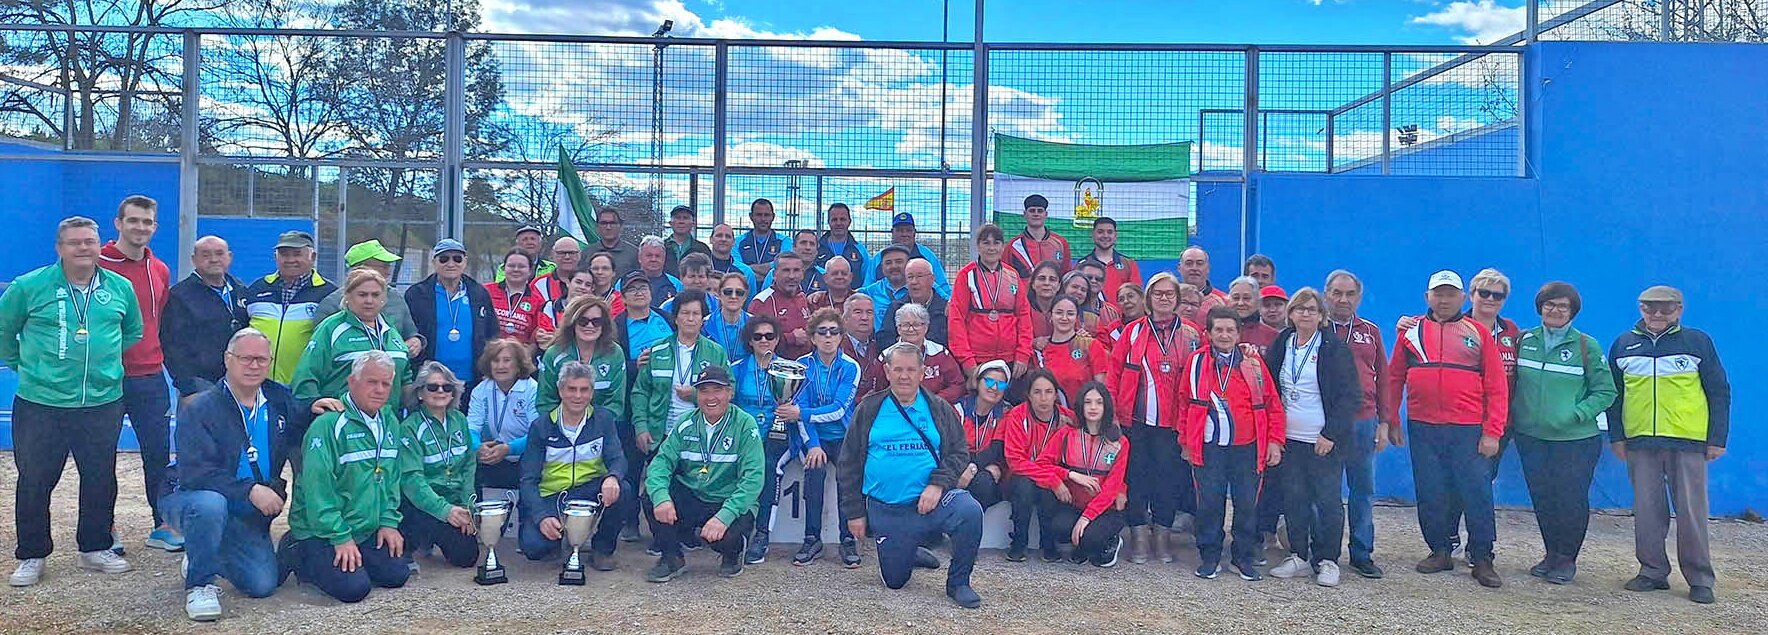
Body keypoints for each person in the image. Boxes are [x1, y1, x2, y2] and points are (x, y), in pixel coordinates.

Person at [3, 216, 143, 586]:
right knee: (35, 480)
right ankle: (32, 554)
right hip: (41, 404)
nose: (83, 248)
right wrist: (26, 366)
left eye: (89, 241)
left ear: (100, 245)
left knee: (99, 478)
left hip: (102, 402)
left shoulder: (119, 287)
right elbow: (4, 330)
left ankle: (95, 547)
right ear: (59, 248)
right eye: (74, 242)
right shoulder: (29, 286)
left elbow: (132, 331)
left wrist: (104, 366)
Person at [1383, 270, 1509, 588]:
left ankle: (1482, 557)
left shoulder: (1477, 332)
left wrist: (1493, 431)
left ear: (1462, 298)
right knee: (1430, 491)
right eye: (1438, 294)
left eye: (1451, 294)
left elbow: (1496, 386)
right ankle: (1439, 550)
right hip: (1423, 426)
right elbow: (1393, 377)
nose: (1444, 299)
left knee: (1477, 493)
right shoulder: (1411, 333)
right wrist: (1392, 420)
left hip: (1468, 428)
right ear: (1428, 297)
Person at [838, 342, 983, 608]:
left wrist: (938, 484)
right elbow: (848, 464)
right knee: (894, 581)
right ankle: (908, 550)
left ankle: (959, 582)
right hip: (889, 509)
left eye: (911, 370)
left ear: (922, 372)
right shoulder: (868, 409)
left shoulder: (939, 408)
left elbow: (960, 453)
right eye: (898, 369)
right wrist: (854, 513)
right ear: (887, 371)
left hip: (933, 502)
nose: (904, 376)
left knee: (970, 510)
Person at [1609, 285, 1729, 605]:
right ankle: (1652, 571)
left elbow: (1719, 390)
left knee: (1691, 512)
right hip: (1640, 441)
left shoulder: (1697, 341)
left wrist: (1717, 439)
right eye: (1650, 308)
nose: (1657, 314)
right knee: (1647, 511)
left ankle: (1700, 578)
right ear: (1640, 308)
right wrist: (1617, 436)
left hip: (1687, 440)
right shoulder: (1623, 344)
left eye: (1665, 308)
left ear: (1679, 310)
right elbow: (1614, 396)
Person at [158, 329, 289, 619]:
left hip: (243, 511)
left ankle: (205, 547)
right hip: (191, 496)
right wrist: (250, 490)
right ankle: (200, 584)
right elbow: (195, 473)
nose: (253, 366)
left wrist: (324, 408)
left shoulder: (279, 399)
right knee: (209, 505)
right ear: (227, 360)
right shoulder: (201, 407)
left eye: (260, 359)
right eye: (245, 358)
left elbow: (304, 412)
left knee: (262, 584)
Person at [284, 350, 412, 603]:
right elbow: (318, 490)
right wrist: (340, 537)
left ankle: (351, 554)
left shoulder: (390, 421)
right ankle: (297, 550)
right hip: (322, 530)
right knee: (354, 590)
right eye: (371, 382)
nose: (379, 389)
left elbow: (391, 478)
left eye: (385, 384)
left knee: (396, 575)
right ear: (352, 382)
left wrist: (388, 521)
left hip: (364, 528)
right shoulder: (328, 424)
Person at [1510, 282, 1616, 586]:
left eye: (1563, 306)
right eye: (1550, 304)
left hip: (1575, 441)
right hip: (1531, 437)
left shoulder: (1586, 345)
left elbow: (1606, 391)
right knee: (1543, 498)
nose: (1555, 310)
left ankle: (1567, 559)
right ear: (1540, 307)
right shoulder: (1524, 340)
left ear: (1572, 311)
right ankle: (1550, 554)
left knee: (1570, 500)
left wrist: (1577, 414)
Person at [1179, 306, 1287, 582]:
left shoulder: (1253, 363)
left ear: (1239, 333)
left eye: (1230, 330)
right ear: (1209, 333)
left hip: (1247, 447)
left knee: (1247, 504)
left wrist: (1275, 441)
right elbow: (1182, 404)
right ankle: (1210, 556)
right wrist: (1185, 440)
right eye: (1219, 330)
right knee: (1209, 503)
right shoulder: (1196, 362)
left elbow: (1273, 404)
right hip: (1208, 446)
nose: (1225, 335)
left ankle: (1243, 557)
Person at [1263, 288, 1361, 587]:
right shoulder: (1282, 342)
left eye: (1312, 309)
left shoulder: (1333, 347)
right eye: (1300, 309)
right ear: (1290, 314)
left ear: (1322, 316)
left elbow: (1349, 396)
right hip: (1288, 438)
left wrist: (1330, 433)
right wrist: (1273, 435)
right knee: (1294, 499)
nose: (1305, 314)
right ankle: (1299, 555)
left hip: (1322, 440)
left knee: (1328, 500)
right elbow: (1269, 389)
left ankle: (1328, 559)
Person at [96, 196, 179, 552]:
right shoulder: (93, 263)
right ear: (118, 223)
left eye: (147, 222)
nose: (140, 228)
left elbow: (155, 321)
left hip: (150, 377)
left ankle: (161, 524)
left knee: (158, 454)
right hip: (104, 377)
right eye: (133, 221)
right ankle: (103, 528)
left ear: (155, 227)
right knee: (99, 454)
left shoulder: (159, 269)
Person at [1106, 272, 1200, 565]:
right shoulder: (1132, 331)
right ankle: (1139, 536)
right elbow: (1114, 374)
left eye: (1169, 294)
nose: (1163, 298)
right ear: (1148, 299)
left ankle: (1162, 535)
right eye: (1157, 294)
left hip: (1173, 424)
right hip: (1136, 421)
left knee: (1168, 481)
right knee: (1137, 479)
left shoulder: (1193, 334)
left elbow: (1202, 374)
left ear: (1177, 298)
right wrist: (1113, 416)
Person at [643, 367, 766, 582]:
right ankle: (672, 557)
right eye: (703, 391)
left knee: (728, 537)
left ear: (730, 393)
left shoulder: (746, 425)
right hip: (694, 494)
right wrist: (662, 498)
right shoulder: (685, 422)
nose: (710, 398)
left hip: (727, 501)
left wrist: (724, 516)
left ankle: (733, 553)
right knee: (651, 496)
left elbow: (753, 479)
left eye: (717, 390)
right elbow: (660, 464)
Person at [517, 361, 632, 570]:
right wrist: (542, 516)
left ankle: (602, 549)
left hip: (589, 490)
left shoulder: (603, 419)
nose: (578, 396)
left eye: (584, 390)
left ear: (591, 392)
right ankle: (559, 541)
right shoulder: (541, 426)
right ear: (560, 390)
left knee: (623, 490)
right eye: (571, 389)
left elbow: (617, 458)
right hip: (553, 495)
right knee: (534, 548)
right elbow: (528, 480)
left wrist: (613, 476)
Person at [1322, 269, 1393, 579]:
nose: (1343, 299)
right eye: (1337, 293)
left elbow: (1384, 378)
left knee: (1362, 489)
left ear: (1359, 297)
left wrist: (1385, 423)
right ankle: (1325, 552)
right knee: (1325, 490)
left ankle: (1362, 553)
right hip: (1326, 422)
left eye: (1350, 294)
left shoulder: (1370, 331)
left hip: (1364, 420)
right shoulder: (1316, 329)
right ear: (1327, 294)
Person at [789, 309, 864, 566]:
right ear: (812, 337)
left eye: (834, 331)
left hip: (844, 434)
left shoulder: (851, 366)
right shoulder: (802, 366)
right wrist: (812, 444)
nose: (828, 337)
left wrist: (802, 413)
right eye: (822, 332)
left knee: (847, 480)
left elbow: (839, 409)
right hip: (815, 436)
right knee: (814, 471)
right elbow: (800, 412)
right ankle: (812, 538)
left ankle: (847, 540)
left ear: (842, 336)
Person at [1029, 381, 1129, 567]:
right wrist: (1070, 475)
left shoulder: (1119, 442)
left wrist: (1086, 517)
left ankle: (1109, 541)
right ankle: (1082, 544)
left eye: (1098, 402)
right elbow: (1041, 464)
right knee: (1060, 528)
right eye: (1088, 402)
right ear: (1080, 406)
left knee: (1092, 539)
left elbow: (1111, 488)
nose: (1093, 407)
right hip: (1075, 505)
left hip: (1105, 509)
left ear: (1106, 406)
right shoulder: (1067, 434)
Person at [291, 269, 411, 419]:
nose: (369, 300)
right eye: (362, 295)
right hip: (343, 423)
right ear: (347, 296)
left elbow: (405, 378)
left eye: (375, 295)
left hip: (387, 424)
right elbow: (305, 375)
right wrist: (313, 405)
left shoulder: (391, 330)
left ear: (384, 299)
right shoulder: (331, 328)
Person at [733, 316, 802, 565]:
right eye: (758, 336)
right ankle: (736, 530)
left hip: (780, 435)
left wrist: (792, 411)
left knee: (769, 468)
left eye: (769, 336)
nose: (764, 341)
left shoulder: (791, 369)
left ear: (777, 339)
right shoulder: (737, 368)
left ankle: (762, 534)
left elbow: (800, 407)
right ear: (749, 341)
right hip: (745, 436)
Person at [396, 362, 478, 571]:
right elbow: (412, 480)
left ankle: (433, 536)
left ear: (453, 392)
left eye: (446, 387)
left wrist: (467, 506)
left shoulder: (459, 420)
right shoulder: (409, 428)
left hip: (455, 501)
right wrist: (445, 511)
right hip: (424, 503)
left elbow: (469, 464)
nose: (440, 391)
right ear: (420, 393)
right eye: (432, 387)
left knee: (467, 556)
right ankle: (418, 540)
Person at [633, 290, 729, 455]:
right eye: (685, 313)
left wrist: (695, 394)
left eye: (695, 314)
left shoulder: (716, 352)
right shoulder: (657, 349)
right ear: (676, 318)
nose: (690, 319)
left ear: (702, 319)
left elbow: (729, 390)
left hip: (701, 434)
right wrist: (641, 426)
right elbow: (641, 391)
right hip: (660, 435)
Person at [1001, 369, 1076, 563]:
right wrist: (1051, 479)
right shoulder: (1017, 416)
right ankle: (1019, 542)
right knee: (1026, 484)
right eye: (1037, 392)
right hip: (1019, 476)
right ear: (1029, 395)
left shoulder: (1069, 418)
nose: (1043, 398)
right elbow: (1015, 461)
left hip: (1052, 476)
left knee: (1047, 489)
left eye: (1048, 392)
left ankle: (1048, 544)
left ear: (1056, 395)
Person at [164, 236, 250, 400]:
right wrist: (188, 386)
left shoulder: (241, 291)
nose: (213, 259)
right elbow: (172, 345)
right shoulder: (179, 295)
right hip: (201, 385)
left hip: (239, 383)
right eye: (205, 255)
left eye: (219, 254)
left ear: (229, 257)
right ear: (194, 260)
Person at [405, 239, 498, 388]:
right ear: (434, 262)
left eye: (457, 258)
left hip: (472, 380)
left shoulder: (479, 293)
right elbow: (408, 331)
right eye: (443, 259)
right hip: (432, 383)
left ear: (465, 261)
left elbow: (492, 333)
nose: (450, 264)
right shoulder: (416, 294)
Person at [244, 230, 333, 384]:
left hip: (303, 387)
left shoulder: (328, 294)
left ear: (313, 257)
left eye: (297, 254)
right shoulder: (256, 289)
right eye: (284, 254)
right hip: (257, 386)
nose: (290, 259)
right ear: (275, 257)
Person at [948, 223, 1033, 382]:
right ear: (978, 247)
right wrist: (967, 360)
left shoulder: (1012, 275)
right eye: (986, 243)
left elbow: (1023, 316)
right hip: (977, 359)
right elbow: (956, 319)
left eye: (996, 243)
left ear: (1002, 247)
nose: (991, 248)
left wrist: (1023, 354)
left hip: (1010, 360)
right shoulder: (966, 275)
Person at [316, 240, 423, 358]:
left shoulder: (396, 298)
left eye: (389, 266)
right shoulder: (331, 305)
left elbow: (410, 333)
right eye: (384, 266)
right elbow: (319, 352)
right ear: (360, 268)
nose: (389, 271)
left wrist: (415, 341)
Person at [465, 337, 538, 490]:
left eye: (507, 360)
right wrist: (478, 447)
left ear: (518, 365)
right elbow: (471, 426)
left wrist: (509, 448)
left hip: (527, 457)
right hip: (492, 456)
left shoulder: (533, 389)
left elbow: (537, 433)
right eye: (495, 360)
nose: (500, 366)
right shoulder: (480, 390)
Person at [537, 295, 628, 415]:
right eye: (583, 321)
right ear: (572, 323)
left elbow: (615, 403)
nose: (589, 326)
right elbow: (545, 402)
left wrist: (593, 425)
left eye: (596, 322)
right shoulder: (554, 354)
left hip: (602, 426)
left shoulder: (615, 353)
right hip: (560, 426)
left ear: (604, 325)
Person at [862, 304, 964, 403]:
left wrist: (935, 401)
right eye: (906, 325)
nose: (911, 329)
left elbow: (957, 385)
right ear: (898, 329)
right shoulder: (886, 356)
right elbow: (878, 391)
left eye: (916, 324)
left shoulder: (940, 353)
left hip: (935, 410)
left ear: (926, 327)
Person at [953, 361, 1013, 524]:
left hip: (988, 468)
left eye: (1000, 384)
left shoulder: (1006, 412)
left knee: (984, 481)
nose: (994, 388)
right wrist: (966, 467)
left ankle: (968, 529)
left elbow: (996, 449)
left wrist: (972, 468)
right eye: (989, 381)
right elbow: (951, 447)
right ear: (978, 382)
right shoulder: (959, 408)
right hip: (959, 463)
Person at [865, 212, 951, 297]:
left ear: (914, 232)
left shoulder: (927, 256)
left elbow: (942, 286)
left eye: (908, 230)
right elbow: (867, 287)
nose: (904, 234)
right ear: (892, 232)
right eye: (899, 230)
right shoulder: (879, 258)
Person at [748, 251, 814, 360]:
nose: (791, 276)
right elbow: (753, 340)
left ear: (802, 274)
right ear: (774, 274)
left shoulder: (803, 297)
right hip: (775, 369)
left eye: (796, 270)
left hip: (805, 367)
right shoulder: (761, 302)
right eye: (786, 270)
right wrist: (790, 338)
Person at [485, 249, 556, 347]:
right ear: (504, 268)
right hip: (489, 355)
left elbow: (536, 338)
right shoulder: (486, 291)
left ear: (530, 271)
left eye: (521, 266)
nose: (516, 269)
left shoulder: (538, 301)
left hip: (520, 358)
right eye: (511, 266)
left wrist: (528, 355)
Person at [1034, 295, 1096, 405]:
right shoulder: (1040, 350)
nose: (1064, 318)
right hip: (1052, 417)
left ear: (1076, 317)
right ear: (1050, 316)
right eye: (1059, 312)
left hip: (1084, 416)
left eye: (1070, 314)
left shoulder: (1089, 345)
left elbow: (1103, 388)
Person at [877, 259, 950, 349]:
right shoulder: (896, 307)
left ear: (932, 279)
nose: (914, 282)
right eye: (910, 277)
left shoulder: (946, 309)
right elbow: (884, 340)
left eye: (919, 276)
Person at [1076, 217, 1142, 309]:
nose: (1105, 235)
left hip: (1121, 321)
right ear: (1093, 235)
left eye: (1110, 232)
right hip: (1090, 318)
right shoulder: (1081, 265)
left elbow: (1136, 297)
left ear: (1115, 236)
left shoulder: (1129, 264)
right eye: (1100, 232)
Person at [1007, 194, 1071, 278]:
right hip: (1024, 291)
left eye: (1040, 211)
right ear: (1024, 214)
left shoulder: (1061, 243)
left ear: (1046, 214)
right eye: (1032, 211)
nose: (1036, 214)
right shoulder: (1013, 245)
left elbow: (1066, 274)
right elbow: (1007, 275)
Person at [859, 244, 911, 332]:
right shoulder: (869, 292)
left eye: (899, 261)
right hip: (879, 344)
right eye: (888, 263)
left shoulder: (921, 287)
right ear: (882, 268)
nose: (894, 266)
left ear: (909, 264)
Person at [762, 230, 827, 295]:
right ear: (793, 247)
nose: (808, 247)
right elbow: (765, 299)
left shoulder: (825, 275)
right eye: (803, 243)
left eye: (812, 244)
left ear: (817, 250)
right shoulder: (775, 273)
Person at [532, 236, 583, 319]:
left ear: (579, 255)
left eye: (572, 253)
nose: (567, 257)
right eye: (561, 253)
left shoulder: (590, 283)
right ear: (552, 255)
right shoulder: (539, 285)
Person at [706, 272, 752, 361]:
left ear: (745, 296)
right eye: (728, 292)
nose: (733, 296)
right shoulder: (704, 325)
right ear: (719, 294)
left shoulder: (755, 325)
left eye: (739, 292)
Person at [1178, 246, 1228, 326]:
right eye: (1189, 263)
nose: (1194, 268)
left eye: (1199, 264)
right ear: (1179, 268)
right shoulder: (1170, 299)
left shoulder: (1223, 301)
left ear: (1208, 268)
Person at [1227, 276, 1277, 354]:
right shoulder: (1217, 331)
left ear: (1258, 302)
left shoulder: (1272, 335)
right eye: (1236, 298)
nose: (1240, 303)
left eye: (1246, 298)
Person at [738, 198, 785, 277]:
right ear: (751, 216)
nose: (763, 219)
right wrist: (769, 269)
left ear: (773, 217)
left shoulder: (784, 241)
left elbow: (784, 264)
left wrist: (749, 269)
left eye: (766, 215)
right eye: (759, 215)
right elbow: (737, 268)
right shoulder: (738, 241)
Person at [707, 223, 759, 292]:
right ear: (711, 239)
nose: (723, 239)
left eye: (728, 236)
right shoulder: (701, 267)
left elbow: (750, 301)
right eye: (719, 235)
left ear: (733, 242)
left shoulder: (746, 272)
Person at [817, 203, 869, 272]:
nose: (838, 223)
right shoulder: (817, 249)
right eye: (834, 219)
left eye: (842, 219)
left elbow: (867, 279)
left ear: (849, 222)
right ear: (828, 222)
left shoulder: (860, 250)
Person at [662, 205, 712, 275]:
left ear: (693, 224)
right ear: (670, 223)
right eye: (677, 217)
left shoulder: (702, 248)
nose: (681, 221)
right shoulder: (661, 246)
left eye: (685, 218)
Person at [588, 209, 640, 276]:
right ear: (597, 226)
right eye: (604, 223)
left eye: (612, 223)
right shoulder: (587, 253)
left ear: (621, 226)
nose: (608, 227)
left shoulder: (634, 253)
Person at [636, 236, 683, 309]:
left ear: (664, 258)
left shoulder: (676, 284)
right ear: (639, 257)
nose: (653, 259)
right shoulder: (626, 282)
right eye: (649, 255)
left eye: (657, 256)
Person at [1025, 261, 1063, 341]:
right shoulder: (1023, 311)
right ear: (1033, 284)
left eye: (1052, 280)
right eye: (1042, 278)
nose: (1047, 283)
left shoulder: (1067, 311)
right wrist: (1033, 343)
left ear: (1059, 286)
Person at [839, 294, 878, 364]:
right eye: (858, 312)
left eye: (869, 312)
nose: (864, 317)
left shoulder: (879, 347)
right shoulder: (836, 347)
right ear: (845, 319)